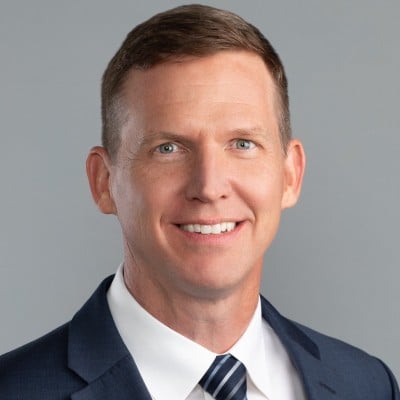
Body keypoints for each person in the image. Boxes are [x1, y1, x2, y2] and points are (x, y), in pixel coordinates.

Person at [0, 4, 398, 400]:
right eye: (168, 148)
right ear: (104, 182)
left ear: (290, 175)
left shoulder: (368, 386)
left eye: (242, 144)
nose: (209, 186)